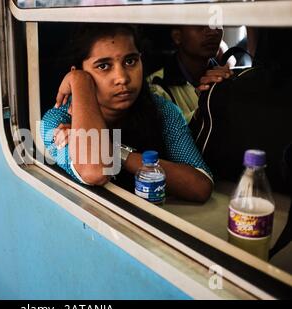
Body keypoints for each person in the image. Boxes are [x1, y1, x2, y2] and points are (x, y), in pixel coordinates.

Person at [40, 23, 213, 203]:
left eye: (130, 61)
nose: (122, 77)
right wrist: (79, 81)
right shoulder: (57, 120)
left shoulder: (160, 109)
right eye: (103, 66)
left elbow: (200, 186)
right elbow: (95, 171)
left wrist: (116, 151)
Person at [147, 26, 233, 123]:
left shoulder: (227, 79)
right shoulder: (156, 86)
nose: (213, 32)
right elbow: (171, 133)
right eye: (200, 24)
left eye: (217, 23)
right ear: (177, 36)